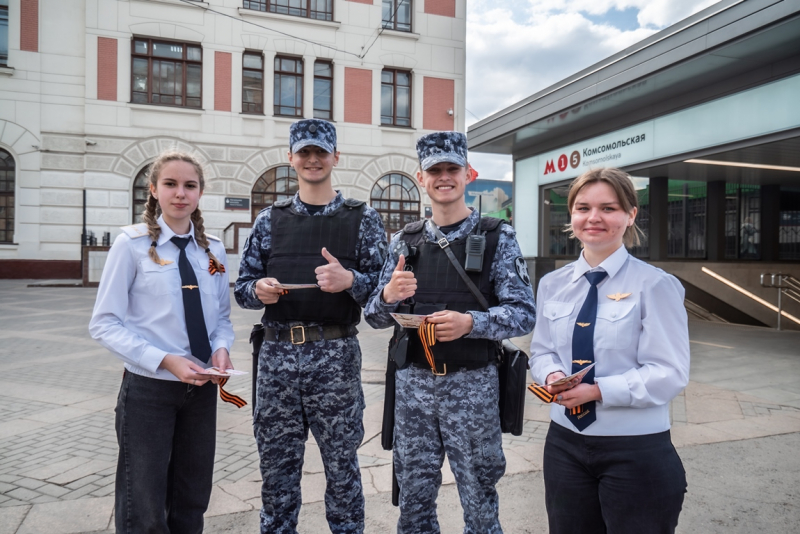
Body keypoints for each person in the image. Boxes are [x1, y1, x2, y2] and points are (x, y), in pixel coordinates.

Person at [364, 131, 536, 534]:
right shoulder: (403, 242)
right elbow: (372, 317)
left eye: (452, 169)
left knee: (479, 504)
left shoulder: (497, 236)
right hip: (413, 390)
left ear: (468, 174)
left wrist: (471, 323)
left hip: (472, 390)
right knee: (413, 505)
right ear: (420, 178)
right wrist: (388, 296)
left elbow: (524, 314)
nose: (444, 177)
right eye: (434, 170)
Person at [234, 119, 387, 534]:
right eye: (304, 152)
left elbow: (384, 296)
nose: (313, 159)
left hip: (335, 358)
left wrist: (350, 280)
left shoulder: (363, 219)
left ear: (336, 157)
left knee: (342, 468)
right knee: (276, 471)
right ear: (291, 158)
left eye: (321, 152)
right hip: (277, 359)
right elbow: (243, 288)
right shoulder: (269, 220)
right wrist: (258, 290)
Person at [529, 167, 689, 534]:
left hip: (635, 449)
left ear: (631, 214)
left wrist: (598, 391)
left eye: (608, 208)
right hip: (564, 445)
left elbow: (669, 372)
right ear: (571, 216)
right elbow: (542, 351)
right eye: (583, 208)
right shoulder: (552, 284)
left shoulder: (656, 285)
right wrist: (553, 375)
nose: (594, 218)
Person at [89, 150, 235, 533]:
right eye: (170, 184)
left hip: (201, 390)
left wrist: (221, 348)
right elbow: (104, 323)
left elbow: (221, 317)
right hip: (149, 391)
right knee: (144, 506)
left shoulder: (213, 250)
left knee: (191, 500)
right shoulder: (131, 245)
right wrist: (164, 359)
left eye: (190, 185)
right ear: (153, 189)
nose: (180, 193)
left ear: (200, 192)